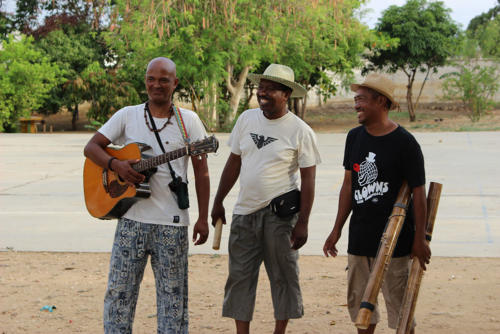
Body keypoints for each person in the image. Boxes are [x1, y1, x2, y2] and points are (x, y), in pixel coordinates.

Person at [83, 57, 210, 334]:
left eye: (164, 80)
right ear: (145, 81)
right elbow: (91, 148)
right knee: (119, 295)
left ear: (174, 83)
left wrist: (202, 217)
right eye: (151, 79)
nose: (157, 85)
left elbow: (202, 173)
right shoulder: (127, 115)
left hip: (172, 225)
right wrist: (116, 165)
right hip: (130, 220)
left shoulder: (189, 122)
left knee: (173, 300)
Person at [211, 63, 321, 334]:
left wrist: (303, 222)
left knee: (283, 276)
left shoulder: (300, 131)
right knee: (239, 277)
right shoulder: (246, 120)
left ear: (286, 95)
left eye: (271, 89)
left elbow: (308, 179)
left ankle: (279, 331)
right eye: (261, 87)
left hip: (280, 218)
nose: (263, 92)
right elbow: (233, 162)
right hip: (244, 214)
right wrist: (218, 200)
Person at [322, 73, 431, 334]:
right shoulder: (354, 137)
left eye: (361, 100)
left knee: (401, 312)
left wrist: (419, 239)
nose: (356, 105)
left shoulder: (405, 143)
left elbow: (418, 192)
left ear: (380, 101)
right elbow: (349, 185)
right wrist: (336, 229)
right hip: (360, 238)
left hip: (396, 243)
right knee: (362, 309)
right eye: (356, 99)